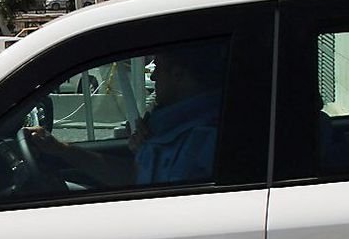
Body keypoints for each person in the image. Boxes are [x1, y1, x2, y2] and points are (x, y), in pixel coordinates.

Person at [26, 44, 223, 186]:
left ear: (179, 75)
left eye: (158, 68)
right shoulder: (174, 130)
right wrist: (61, 150)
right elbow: (135, 176)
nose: (153, 77)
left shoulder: (204, 138)